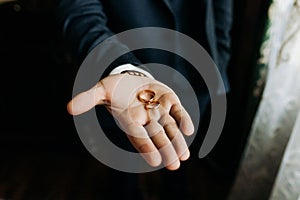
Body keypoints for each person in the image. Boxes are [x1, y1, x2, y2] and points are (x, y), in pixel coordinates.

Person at [55, 0, 233, 199]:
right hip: (129, 71)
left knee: (182, 151)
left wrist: (219, 61)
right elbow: (80, 11)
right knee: (123, 162)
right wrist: (121, 67)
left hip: (197, 74)